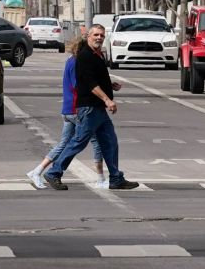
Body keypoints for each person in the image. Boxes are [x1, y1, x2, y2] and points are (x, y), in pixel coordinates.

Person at [42, 24, 138, 191]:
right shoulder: (85, 56)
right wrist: (108, 100)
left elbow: (96, 78)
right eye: (96, 35)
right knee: (78, 142)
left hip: (98, 109)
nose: (99, 38)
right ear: (88, 36)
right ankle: (54, 172)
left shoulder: (96, 55)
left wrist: (110, 85)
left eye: (101, 35)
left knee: (110, 142)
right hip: (89, 108)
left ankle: (115, 178)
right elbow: (90, 83)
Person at [27, 37, 105, 188]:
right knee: (97, 141)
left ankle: (37, 171)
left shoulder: (71, 60)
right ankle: (101, 179)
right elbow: (80, 86)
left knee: (64, 143)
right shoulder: (77, 63)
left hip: (68, 109)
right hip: (77, 109)